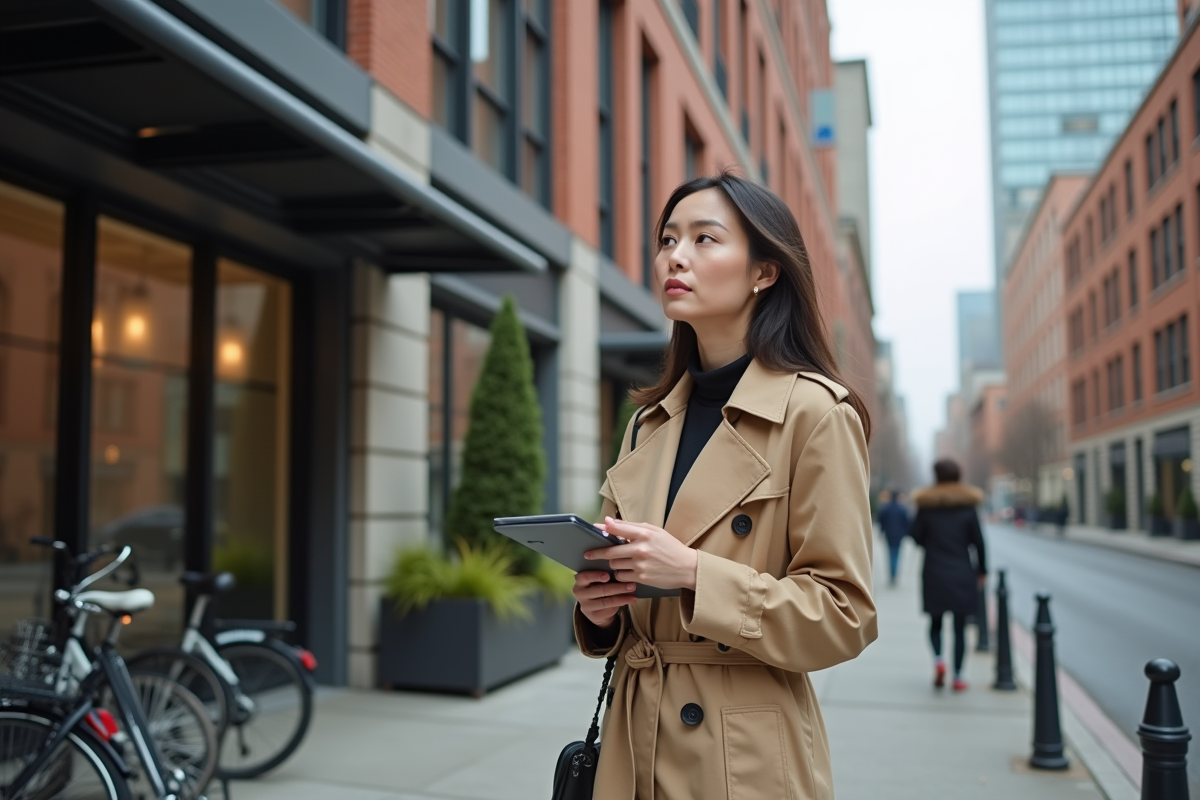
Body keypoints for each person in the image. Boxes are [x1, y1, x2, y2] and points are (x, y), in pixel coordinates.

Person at [571, 172, 878, 800]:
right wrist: (600, 611)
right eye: (667, 240)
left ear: (764, 271)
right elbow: (634, 598)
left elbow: (844, 614)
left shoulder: (815, 414)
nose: (675, 256)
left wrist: (693, 574)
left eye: (704, 239)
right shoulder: (647, 424)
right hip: (633, 746)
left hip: (742, 758)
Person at [909, 458, 987, 692]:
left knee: (935, 622)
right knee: (960, 627)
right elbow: (979, 543)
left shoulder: (926, 506)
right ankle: (959, 676)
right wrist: (982, 571)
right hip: (962, 571)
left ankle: (939, 661)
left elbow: (915, 536)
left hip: (933, 570)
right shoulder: (968, 507)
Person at [876, 489, 910, 586]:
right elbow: (906, 523)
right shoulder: (902, 509)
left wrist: (881, 533)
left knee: (890, 554)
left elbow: (881, 521)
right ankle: (894, 574)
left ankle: (892, 574)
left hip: (889, 535)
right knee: (896, 554)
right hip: (899, 536)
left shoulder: (886, 508)